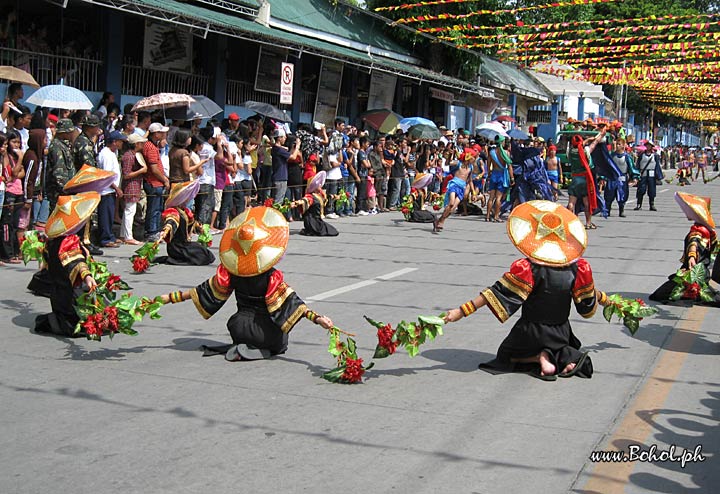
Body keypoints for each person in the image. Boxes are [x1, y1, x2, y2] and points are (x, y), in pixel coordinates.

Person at [443, 200, 604, 380]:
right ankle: (563, 360)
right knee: (566, 346)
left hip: (531, 330)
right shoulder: (577, 268)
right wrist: (605, 299)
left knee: (505, 355)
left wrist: (461, 311)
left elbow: (496, 293)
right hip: (561, 331)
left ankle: (540, 357)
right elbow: (588, 299)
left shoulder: (529, 268)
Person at [158, 206, 334, 361]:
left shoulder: (232, 272)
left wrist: (169, 298)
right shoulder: (271, 277)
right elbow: (295, 304)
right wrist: (319, 319)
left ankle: (243, 346)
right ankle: (256, 349)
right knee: (280, 343)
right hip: (263, 333)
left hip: (238, 328)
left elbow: (202, 291)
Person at [34, 192, 101, 337]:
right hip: (70, 291)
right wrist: (87, 276)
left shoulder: (51, 241)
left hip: (58, 291)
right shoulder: (68, 242)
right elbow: (75, 262)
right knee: (82, 324)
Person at [650, 192, 719, 305]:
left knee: (659, 295)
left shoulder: (699, 230)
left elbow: (694, 242)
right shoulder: (709, 231)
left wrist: (691, 257)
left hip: (692, 271)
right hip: (701, 270)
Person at [154, 180, 215, 266]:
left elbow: (191, 224)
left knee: (204, 252)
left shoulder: (185, 211)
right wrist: (166, 231)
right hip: (176, 246)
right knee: (200, 255)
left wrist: (199, 227)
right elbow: (171, 222)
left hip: (185, 243)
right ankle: (175, 258)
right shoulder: (173, 211)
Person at [567, 129, 606, 229]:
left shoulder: (570, 151)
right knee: (586, 203)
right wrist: (598, 136)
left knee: (571, 203)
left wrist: (586, 140)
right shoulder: (585, 151)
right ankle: (588, 223)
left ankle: (570, 222)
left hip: (574, 179)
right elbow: (595, 143)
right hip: (584, 180)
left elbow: (577, 146)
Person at [96, 131, 127, 248]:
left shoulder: (112, 153)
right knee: (105, 214)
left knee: (110, 214)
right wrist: (116, 188)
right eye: (120, 141)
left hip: (110, 190)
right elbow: (107, 174)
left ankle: (110, 235)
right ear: (114, 142)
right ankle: (105, 238)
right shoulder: (106, 154)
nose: (121, 144)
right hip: (106, 190)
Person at [143, 122, 171, 241]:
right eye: (161, 132)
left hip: (157, 182)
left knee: (157, 208)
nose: (164, 134)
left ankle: (155, 230)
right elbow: (154, 169)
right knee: (154, 209)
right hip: (154, 182)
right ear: (156, 134)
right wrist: (164, 179)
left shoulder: (154, 146)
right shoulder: (150, 147)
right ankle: (152, 231)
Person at [433, 153, 473, 233]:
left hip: (462, 187)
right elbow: (447, 163)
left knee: (453, 208)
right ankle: (441, 222)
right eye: (467, 159)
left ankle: (440, 220)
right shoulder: (458, 163)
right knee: (451, 203)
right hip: (454, 184)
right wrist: (450, 155)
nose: (468, 161)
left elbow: (470, 180)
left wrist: (473, 192)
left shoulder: (470, 168)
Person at [119, 134, 148, 245]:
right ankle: (128, 236)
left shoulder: (133, 155)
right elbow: (126, 175)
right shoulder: (129, 156)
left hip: (134, 185)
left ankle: (123, 234)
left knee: (130, 211)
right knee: (129, 211)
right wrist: (141, 171)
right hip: (130, 186)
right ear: (136, 144)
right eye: (141, 143)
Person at [1, 130, 24, 263]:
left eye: (18, 142)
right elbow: (14, 173)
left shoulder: (15, 157)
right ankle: (7, 254)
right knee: (6, 224)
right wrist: (20, 158)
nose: (16, 145)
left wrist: (18, 169)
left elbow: (22, 172)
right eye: (13, 142)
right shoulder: (8, 156)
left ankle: (15, 251)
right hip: (9, 192)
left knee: (15, 224)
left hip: (18, 192)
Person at [292, 171, 338, 237]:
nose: (320, 187)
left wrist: (336, 196)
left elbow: (326, 199)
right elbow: (304, 201)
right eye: (318, 186)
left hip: (318, 219)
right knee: (328, 232)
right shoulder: (311, 196)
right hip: (311, 220)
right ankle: (310, 229)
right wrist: (296, 203)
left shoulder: (319, 195)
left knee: (333, 231)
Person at [45, 119, 76, 211]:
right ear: (64, 133)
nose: (72, 134)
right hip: (59, 194)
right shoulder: (57, 147)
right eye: (70, 132)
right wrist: (67, 190)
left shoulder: (63, 146)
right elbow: (59, 173)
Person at [604, 138, 639, 217]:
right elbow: (606, 167)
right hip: (612, 177)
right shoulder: (611, 156)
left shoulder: (627, 157)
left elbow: (632, 168)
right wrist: (603, 178)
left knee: (622, 194)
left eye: (619, 144)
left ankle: (621, 210)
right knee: (609, 193)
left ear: (623, 145)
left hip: (622, 177)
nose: (617, 146)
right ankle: (607, 209)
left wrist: (634, 177)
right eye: (616, 144)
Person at [271, 128, 300, 204]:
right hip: (281, 178)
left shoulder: (275, 149)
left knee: (276, 199)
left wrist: (292, 149)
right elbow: (293, 157)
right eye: (284, 137)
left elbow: (287, 156)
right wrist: (297, 147)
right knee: (278, 201)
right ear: (279, 138)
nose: (285, 138)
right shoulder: (279, 150)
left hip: (277, 177)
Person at [486, 141, 514, 223]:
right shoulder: (506, 153)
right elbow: (509, 166)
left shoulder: (491, 152)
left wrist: (489, 174)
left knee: (491, 197)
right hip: (502, 175)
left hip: (494, 174)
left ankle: (487, 216)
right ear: (502, 142)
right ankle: (496, 216)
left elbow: (488, 165)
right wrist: (512, 178)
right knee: (498, 198)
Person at [634, 142, 659, 212]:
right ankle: (639, 204)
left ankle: (652, 204)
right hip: (643, 173)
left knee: (652, 190)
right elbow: (638, 165)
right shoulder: (641, 155)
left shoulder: (655, 155)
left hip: (652, 174)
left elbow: (657, 166)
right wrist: (636, 174)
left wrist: (658, 175)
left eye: (649, 146)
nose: (648, 147)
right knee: (641, 189)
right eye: (647, 145)